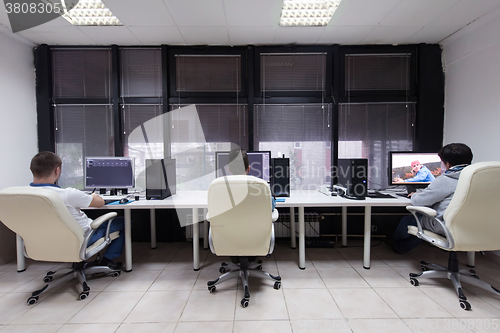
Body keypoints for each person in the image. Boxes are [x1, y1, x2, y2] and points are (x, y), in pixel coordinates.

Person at [29, 151, 124, 269]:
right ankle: (107, 260)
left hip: (42, 243)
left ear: (31, 169)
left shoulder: (22, 195)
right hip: (82, 238)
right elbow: (100, 203)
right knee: (125, 222)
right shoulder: (68, 194)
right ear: (57, 170)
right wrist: (94, 196)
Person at [387, 143, 473, 253]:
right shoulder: (478, 178)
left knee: (409, 220)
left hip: (446, 225)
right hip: (471, 225)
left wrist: (415, 194)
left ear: (447, 163)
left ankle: (399, 246)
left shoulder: (447, 180)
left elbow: (418, 201)